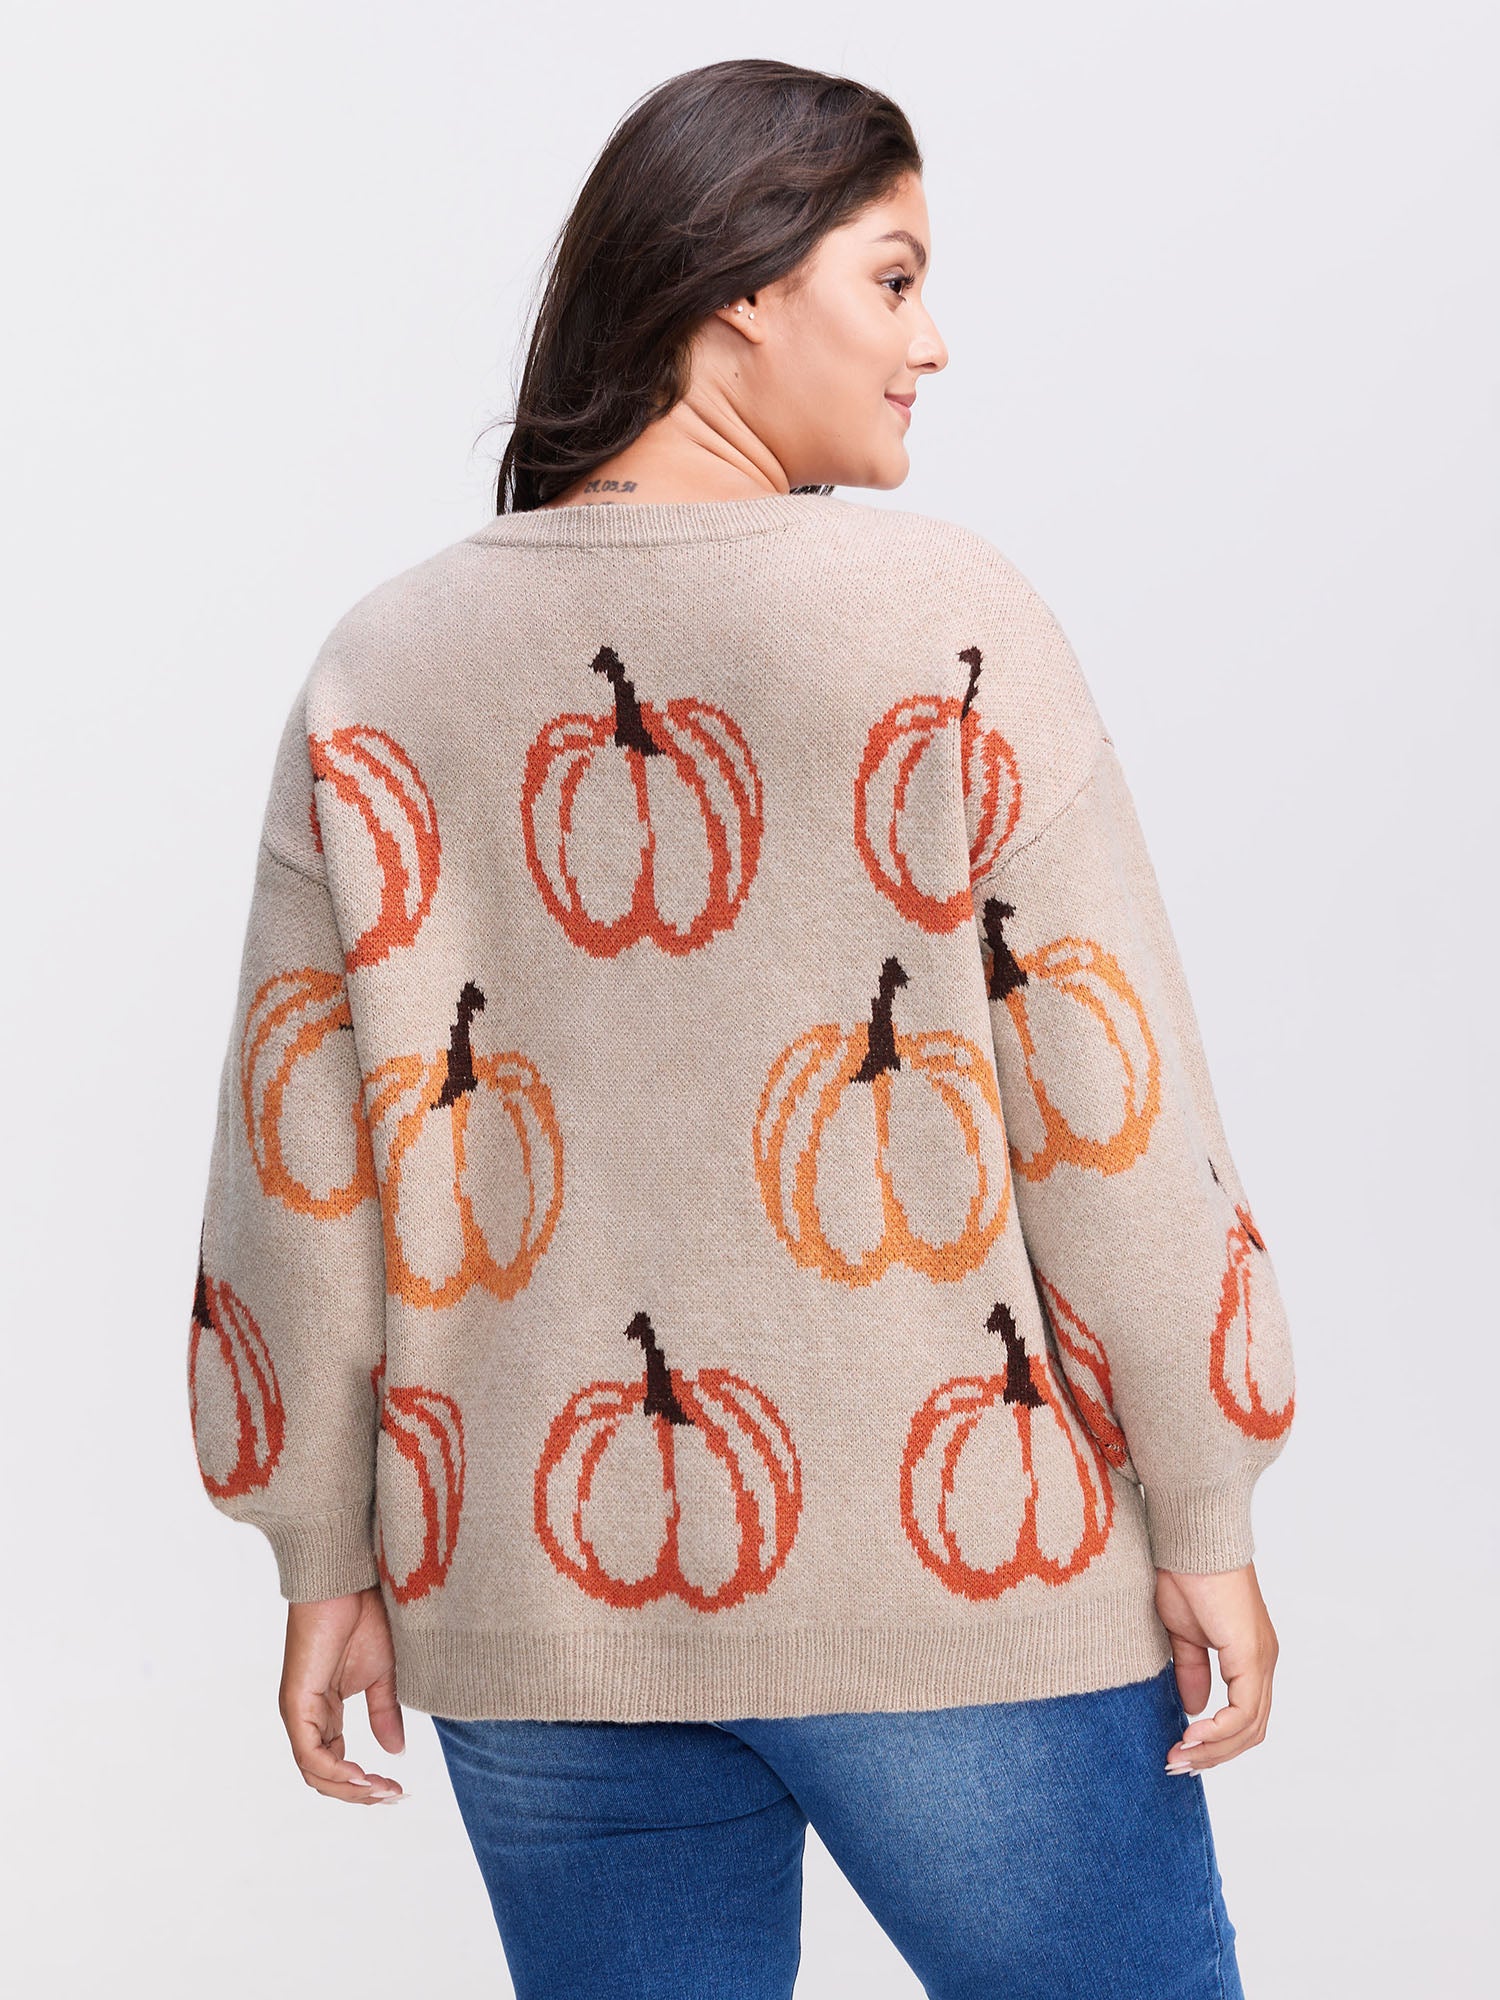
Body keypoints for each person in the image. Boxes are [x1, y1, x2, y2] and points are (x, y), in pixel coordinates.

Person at [187, 56, 1295, 2000]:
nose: (933, 343)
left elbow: (301, 1162)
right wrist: (1203, 1498)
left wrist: (323, 1552)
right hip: (951, 1589)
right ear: (742, 289)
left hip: (534, 1592)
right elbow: (1109, 1109)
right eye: (895, 279)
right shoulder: (947, 624)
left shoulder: (386, 663)